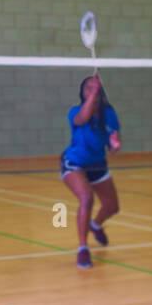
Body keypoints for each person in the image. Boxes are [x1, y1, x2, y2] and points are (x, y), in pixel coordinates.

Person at [59, 75, 121, 269]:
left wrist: (114, 145)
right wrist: (93, 95)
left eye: (95, 88)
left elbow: (113, 140)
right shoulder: (75, 112)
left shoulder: (109, 114)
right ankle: (83, 249)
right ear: (83, 92)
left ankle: (96, 225)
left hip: (97, 165)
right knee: (87, 198)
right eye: (88, 88)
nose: (92, 90)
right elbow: (83, 118)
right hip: (74, 164)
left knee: (112, 207)